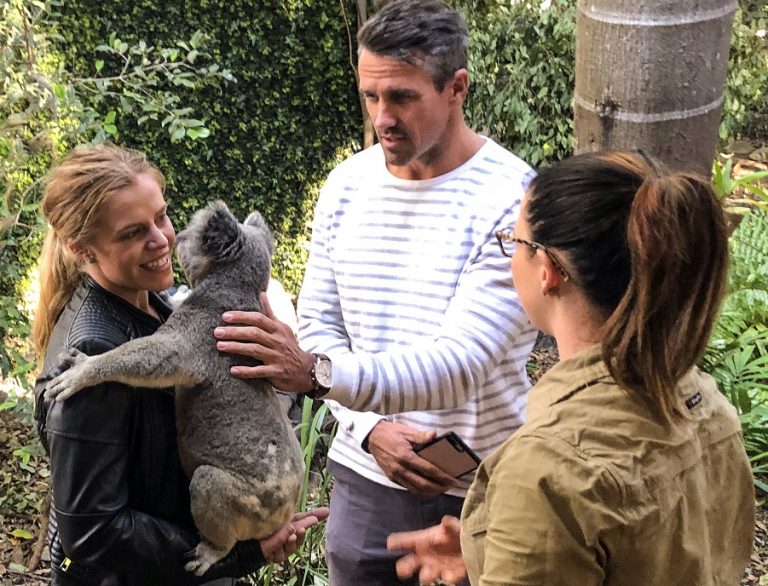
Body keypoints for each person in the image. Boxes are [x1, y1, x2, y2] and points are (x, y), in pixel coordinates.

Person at [212, 1, 536, 583]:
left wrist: (319, 375)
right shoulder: (347, 185)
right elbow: (318, 327)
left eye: (402, 97)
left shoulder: (515, 198)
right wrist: (368, 429)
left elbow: (462, 362)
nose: (382, 116)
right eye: (371, 96)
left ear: (456, 87)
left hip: (482, 491)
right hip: (367, 478)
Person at [386, 151, 757, 585]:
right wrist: (496, 546)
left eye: (514, 241)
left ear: (548, 271)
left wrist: (526, 525)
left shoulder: (546, 472)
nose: (511, 256)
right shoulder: (703, 402)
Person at [33, 144, 328, 586]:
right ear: (82, 248)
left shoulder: (157, 305)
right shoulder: (93, 349)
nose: (161, 239)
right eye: (132, 233)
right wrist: (236, 555)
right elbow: (93, 532)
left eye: (162, 217)